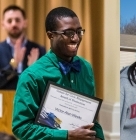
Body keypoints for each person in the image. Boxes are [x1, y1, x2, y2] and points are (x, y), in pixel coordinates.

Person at [11, 7, 104, 139]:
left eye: (79, 31)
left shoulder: (86, 67)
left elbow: (91, 119)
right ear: (51, 35)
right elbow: (22, 128)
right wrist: (66, 135)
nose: (76, 38)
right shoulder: (31, 77)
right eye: (69, 33)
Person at [0, 5, 46, 89]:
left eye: (17, 20)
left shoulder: (39, 50)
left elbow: (45, 84)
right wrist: (14, 64)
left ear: (25, 23)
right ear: (3, 25)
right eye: (9, 21)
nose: (14, 24)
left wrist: (32, 69)